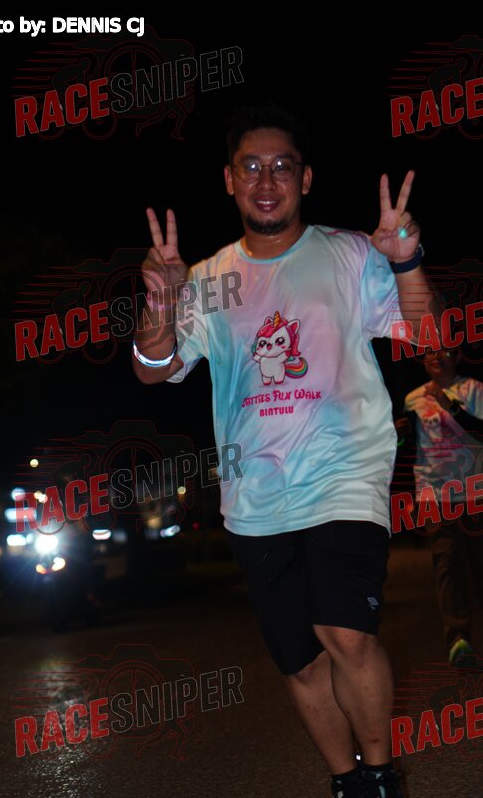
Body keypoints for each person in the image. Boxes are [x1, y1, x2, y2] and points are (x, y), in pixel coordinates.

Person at [132, 104, 436, 798]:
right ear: (229, 180)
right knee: (300, 662)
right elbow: (154, 368)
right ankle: (346, 781)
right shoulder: (207, 277)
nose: (266, 181)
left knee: (345, 633)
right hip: (255, 495)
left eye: (281, 167)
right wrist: (160, 304)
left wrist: (406, 260)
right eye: (251, 167)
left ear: (305, 179)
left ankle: (380, 777)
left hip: (344, 473)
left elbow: (424, 332)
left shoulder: (348, 253)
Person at [396, 348, 483, 666]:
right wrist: (399, 436)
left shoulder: (473, 390)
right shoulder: (413, 398)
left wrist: (452, 408)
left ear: (457, 357)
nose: (437, 358)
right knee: (447, 564)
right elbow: (409, 449)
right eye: (430, 353)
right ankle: (458, 640)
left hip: (475, 492)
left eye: (445, 352)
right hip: (434, 494)